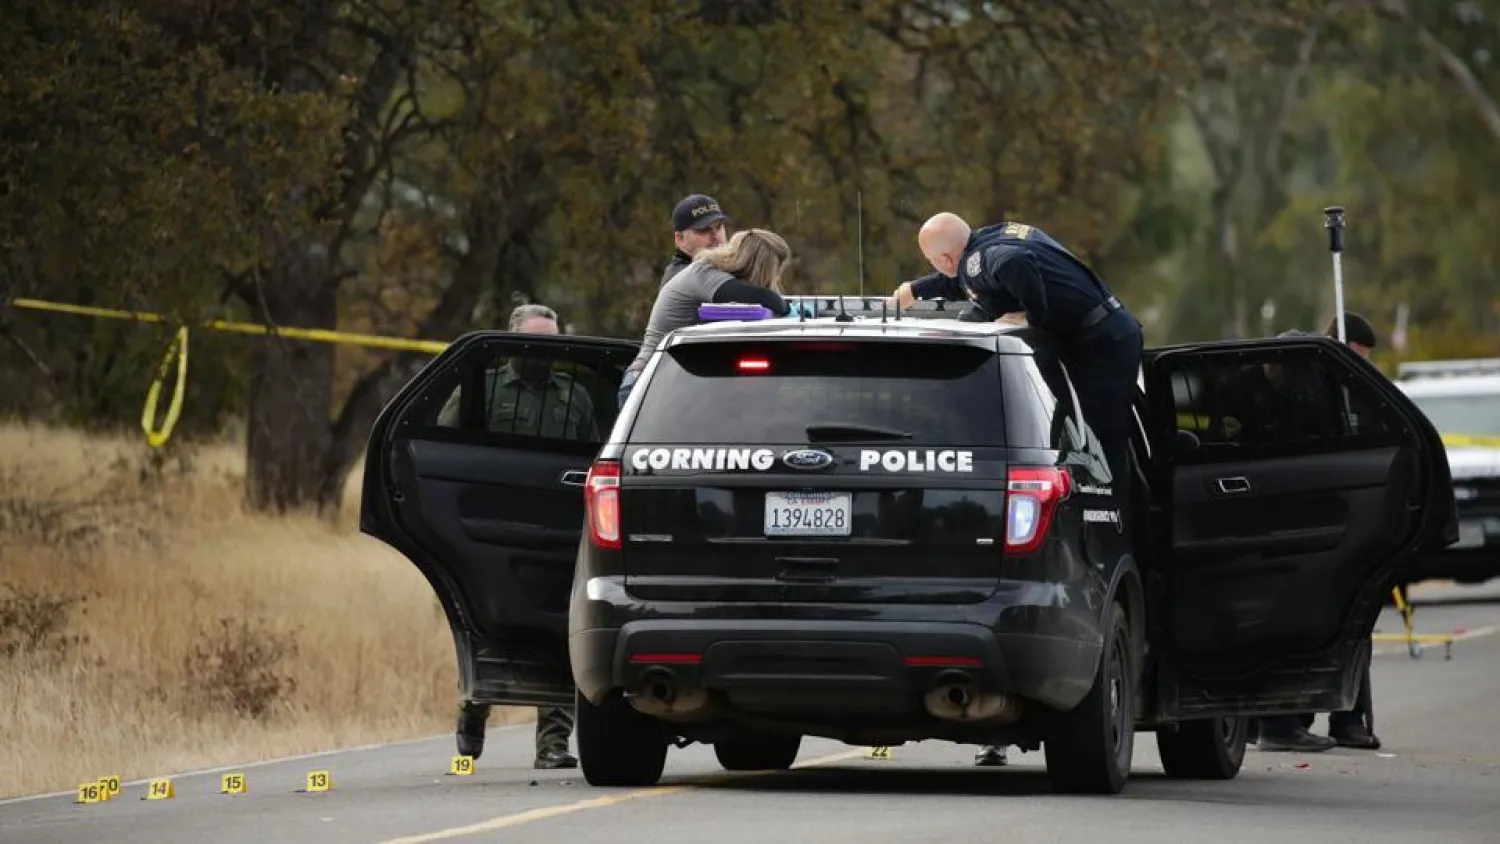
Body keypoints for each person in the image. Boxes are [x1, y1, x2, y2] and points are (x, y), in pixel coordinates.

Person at [890, 213, 1142, 768]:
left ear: (946, 258)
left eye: (937, 266)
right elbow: (980, 274)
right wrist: (920, 290)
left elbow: (1012, 268)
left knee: (1101, 454)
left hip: (1101, 343)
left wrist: (1032, 315)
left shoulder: (989, 259)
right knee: (1098, 449)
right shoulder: (986, 243)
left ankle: (1121, 522)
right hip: (1110, 329)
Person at [439, 303, 594, 770]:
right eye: (536, 340)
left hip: (556, 532)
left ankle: (552, 744)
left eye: (553, 341)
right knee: (489, 626)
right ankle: (475, 706)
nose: (545, 350)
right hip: (495, 532)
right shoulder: (482, 390)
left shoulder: (576, 396)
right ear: (512, 341)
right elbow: (446, 445)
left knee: (562, 634)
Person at [1251, 313, 1383, 753]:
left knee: (1352, 615)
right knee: (1301, 623)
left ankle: (1344, 720)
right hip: (1294, 529)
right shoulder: (1301, 392)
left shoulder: (1339, 393)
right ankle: (1280, 722)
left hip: (1328, 525)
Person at [618, 228, 793, 407]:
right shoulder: (703, 273)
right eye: (774, 271)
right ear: (759, 266)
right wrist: (790, 311)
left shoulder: (714, 277)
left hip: (665, 381)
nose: (775, 278)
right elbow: (768, 298)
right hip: (645, 383)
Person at [661, 194, 730, 286]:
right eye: (704, 230)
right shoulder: (683, 278)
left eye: (718, 227)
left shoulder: (716, 268)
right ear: (680, 239)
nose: (715, 236)